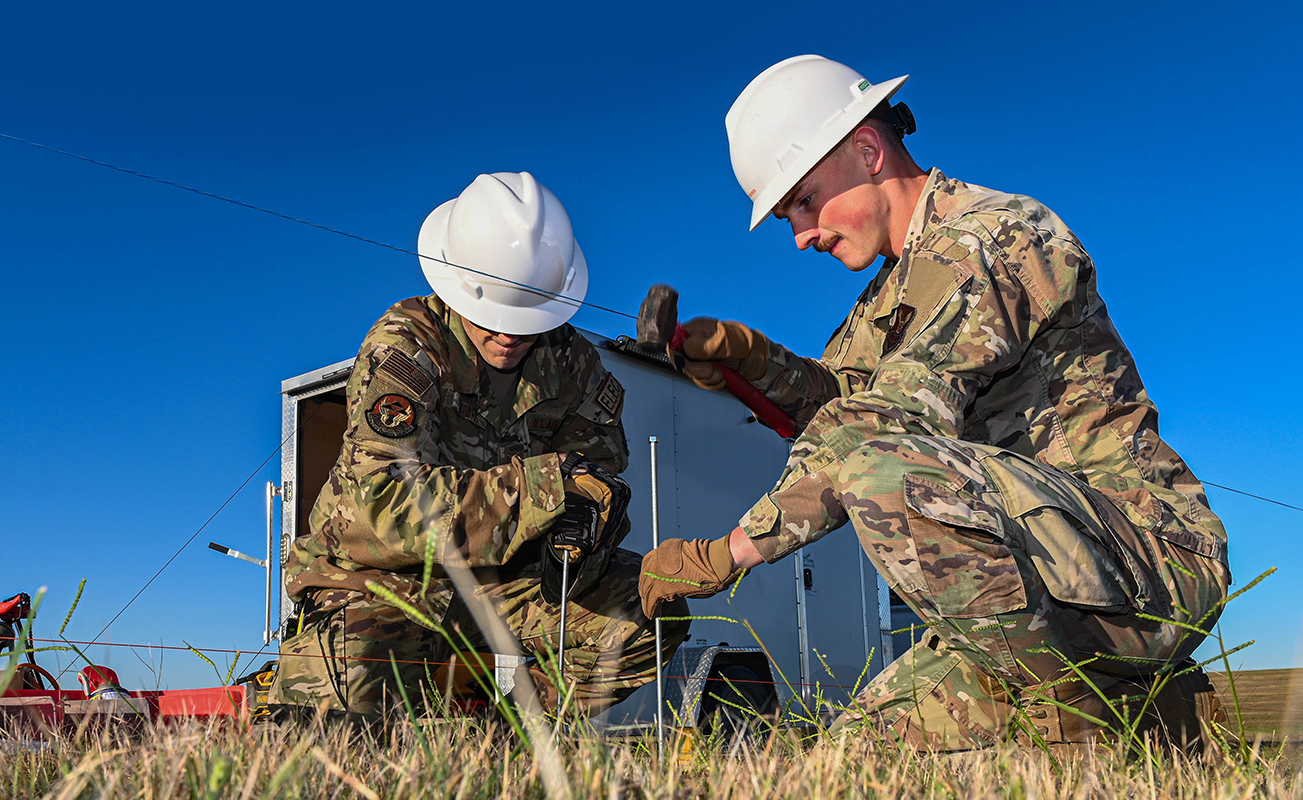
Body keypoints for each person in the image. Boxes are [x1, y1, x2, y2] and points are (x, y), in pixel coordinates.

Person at [637, 56, 1229, 750]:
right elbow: (839, 404)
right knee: (850, 759)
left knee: (885, 472)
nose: (799, 235)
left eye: (803, 201)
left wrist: (728, 553)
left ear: (866, 150)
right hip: (1034, 587)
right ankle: (1158, 716)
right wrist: (748, 361)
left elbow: (880, 428)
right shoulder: (892, 295)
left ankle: (1079, 739)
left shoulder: (997, 238)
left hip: (1151, 563)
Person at [270, 171, 689, 719]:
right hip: (382, 578)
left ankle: (505, 741)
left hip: (505, 580)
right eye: (493, 315)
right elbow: (386, 500)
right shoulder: (407, 344)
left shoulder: (573, 365)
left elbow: (599, 475)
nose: (510, 335)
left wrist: (584, 521)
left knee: (648, 613)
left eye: (527, 316)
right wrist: (547, 488)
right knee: (341, 728)